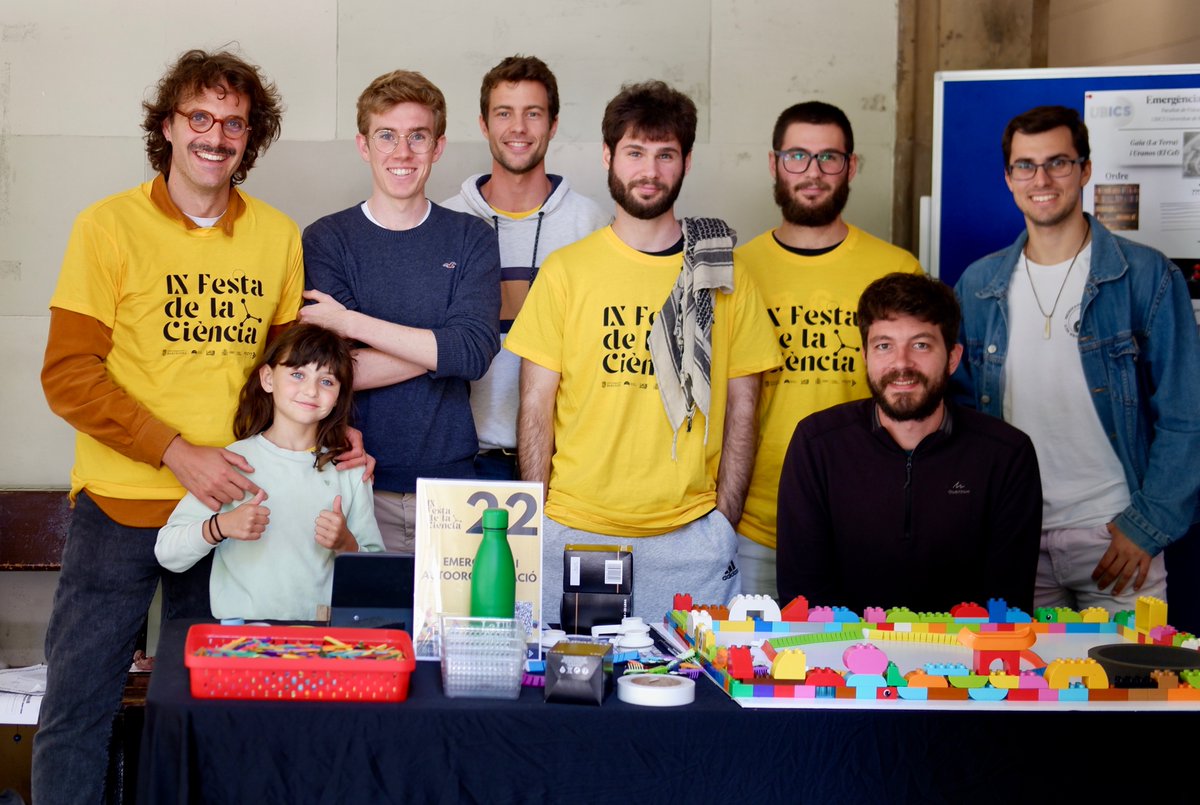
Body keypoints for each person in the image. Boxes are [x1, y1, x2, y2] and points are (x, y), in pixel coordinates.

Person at [36, 49, 318, 802]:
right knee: (78, 708)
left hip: (233, 511)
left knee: (212, 713)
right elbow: (67, 374)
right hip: (119, 507)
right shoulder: (106, 227)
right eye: (200, 116)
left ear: (250, 138)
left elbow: (288, 381)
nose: (216, 136)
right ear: (168, 125)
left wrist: (328, 442)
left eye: (233, 122)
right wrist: (175, 451)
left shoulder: (279, 237)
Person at [506, 80, 781, 624]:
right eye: (634, 152)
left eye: (665, 154)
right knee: (569, 698)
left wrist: (722, 522)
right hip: (571, 528)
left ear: (686, 162)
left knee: (690, 702)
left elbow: (743, 407)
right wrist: (536, 523)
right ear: (608, 156)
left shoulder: (722, 272)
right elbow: (536, 405)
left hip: (688, 539)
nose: (649, 170)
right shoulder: (567, 271)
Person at [953, 105, 1200, 613]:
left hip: (1116, 540)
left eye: (1058, 163)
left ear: (1085, 170)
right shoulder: (978, 287)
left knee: (1129, 689)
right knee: (1012, 689)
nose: (1041, 179)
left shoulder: (1146, 277)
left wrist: (1147, 525)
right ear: (1008, 177)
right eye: (1026, 165)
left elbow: (1187, 415)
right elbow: (961, 422)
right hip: (1013, 537)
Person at [301, 70, 501, 553]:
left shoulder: (471, 238)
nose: (402, 152)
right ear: (363, 145)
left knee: (451, 630)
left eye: (418, 137)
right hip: (351, 481)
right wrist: (443, 347)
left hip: (452, 487)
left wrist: (350, 324)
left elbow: (474, 354)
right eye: (386, 136)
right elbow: (333, 369)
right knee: (360, 628)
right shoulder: (327, 240)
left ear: (438, 147)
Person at [736, 102, 923, 598]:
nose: (812, 172)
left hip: (868, 518)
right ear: (774, 163)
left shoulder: (896, 268)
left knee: (862, 670)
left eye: (829, 158)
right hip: (755, 524)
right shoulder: (736, 270)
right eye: (797, 156)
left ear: (851, 166)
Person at [776, 273, 1042, 614]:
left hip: (965, 662)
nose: (901, 364)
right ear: (865, 355)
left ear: (953, 357)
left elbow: (1007, 605)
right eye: (884, 345)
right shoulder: (816, 445)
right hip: (842, 659)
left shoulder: (1007, 455)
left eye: (921, 345)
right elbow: (805, 597)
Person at [442, 54, 610, 480]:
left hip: (563, 459)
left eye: (532, 114)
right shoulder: (444, 220)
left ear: (553, 125)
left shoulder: (592, 225)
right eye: (504, 113)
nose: (518, 128)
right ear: (483, 124)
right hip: (464, 457)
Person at [156, 324, 383, 620]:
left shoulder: (350, 469)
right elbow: (168, 553)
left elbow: (378, 577)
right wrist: (221, 526)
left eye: (327, 381)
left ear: (339, 395)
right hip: (242, 642)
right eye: (298, 374)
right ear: (267, 378)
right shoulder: (233, 461)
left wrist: (347, 544)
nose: (311, 390)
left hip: (324, 639)